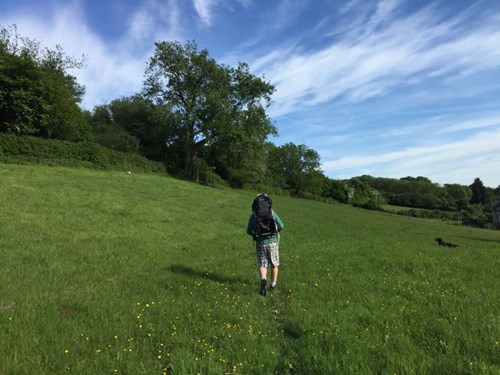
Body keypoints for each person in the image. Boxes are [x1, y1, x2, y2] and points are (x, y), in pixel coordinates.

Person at [246, 193, 284, 296]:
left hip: (260, 243)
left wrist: (257, 234)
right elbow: (281, 226)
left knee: (262, 264)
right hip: (273, 242)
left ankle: (263, 278)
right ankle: (273, 285)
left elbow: (248, 231)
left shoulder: (253, 215)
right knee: (274, 264)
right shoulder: (272, 212)